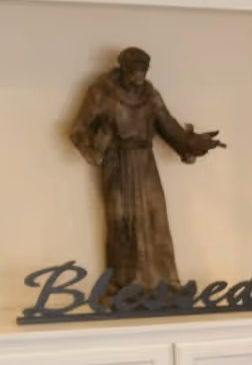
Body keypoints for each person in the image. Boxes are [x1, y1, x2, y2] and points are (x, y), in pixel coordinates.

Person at [69, 47, 223, 291]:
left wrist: (191, 144)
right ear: (123, 69)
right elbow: (79, 129)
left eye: (143, 73)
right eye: (133, 73)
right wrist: (93, 150)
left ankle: (165, 282)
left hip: (145, 161)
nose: (138, 79)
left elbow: (168, 125)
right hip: (117, 164)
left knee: (156, 217)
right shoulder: (102, 92)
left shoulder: (150, 94)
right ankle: (123, 284)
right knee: (123, 222)